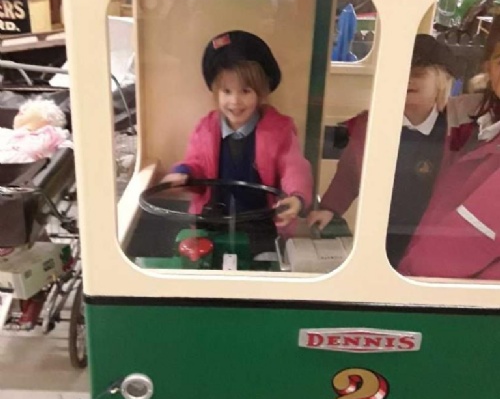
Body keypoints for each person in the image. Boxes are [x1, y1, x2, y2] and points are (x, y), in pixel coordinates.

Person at [307, 34, 460, 266]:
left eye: (418, 74)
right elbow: (349, 174)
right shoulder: (370, 125)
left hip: (434, 233)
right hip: (382, 230)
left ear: (442, 81)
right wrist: (329, 208)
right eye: (402, 73)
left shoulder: (455, 129)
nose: (408, 80)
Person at [162, 30, 312, 244]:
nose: (235, 101)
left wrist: (296, 197)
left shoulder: (280, 130)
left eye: (245, 91)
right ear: (216, 93)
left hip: (261, 226)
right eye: (226, 91)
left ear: (260, 93)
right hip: (213, 225)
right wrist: (182, 174)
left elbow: (293, 166)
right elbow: (196, 164)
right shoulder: (205, 128)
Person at [398, 16, 500, 280]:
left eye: (419, 74)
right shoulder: (475, 119)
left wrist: (406, 277)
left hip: (446, 287)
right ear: (488, 67)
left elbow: (461, 244)